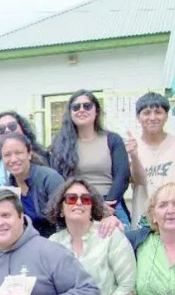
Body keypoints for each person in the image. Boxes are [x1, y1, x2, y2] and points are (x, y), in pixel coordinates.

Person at [50, 90, 132, 225]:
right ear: (70, 113)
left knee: (123, 240)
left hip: (110, 202)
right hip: (75, 203)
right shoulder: (60, 145)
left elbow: (122, 176)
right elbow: (58, 181)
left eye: (87, 106)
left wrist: (104, 207)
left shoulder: (112, 140)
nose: (81, 110)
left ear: (97, 111)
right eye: (76, 107)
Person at [126, 92, 175, 230]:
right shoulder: (130, 147)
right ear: (138, 117)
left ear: (166, 115)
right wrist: (133, 155)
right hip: (143, 223)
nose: (152, 118)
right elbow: (137, 181)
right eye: (146, 113)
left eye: (158, 112)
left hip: (173, 222)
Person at [1, 132, 63, 238]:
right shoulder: (8, 188)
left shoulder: (49, 178)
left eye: (18, 153)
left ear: (29, 154)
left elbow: (63, 218)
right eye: (7, 155)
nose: (13, 159)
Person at [0, 111, 49, 185]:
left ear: (22, 128)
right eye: (1, 129)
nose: (7, 130)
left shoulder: (44, 158)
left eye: (12, 126)